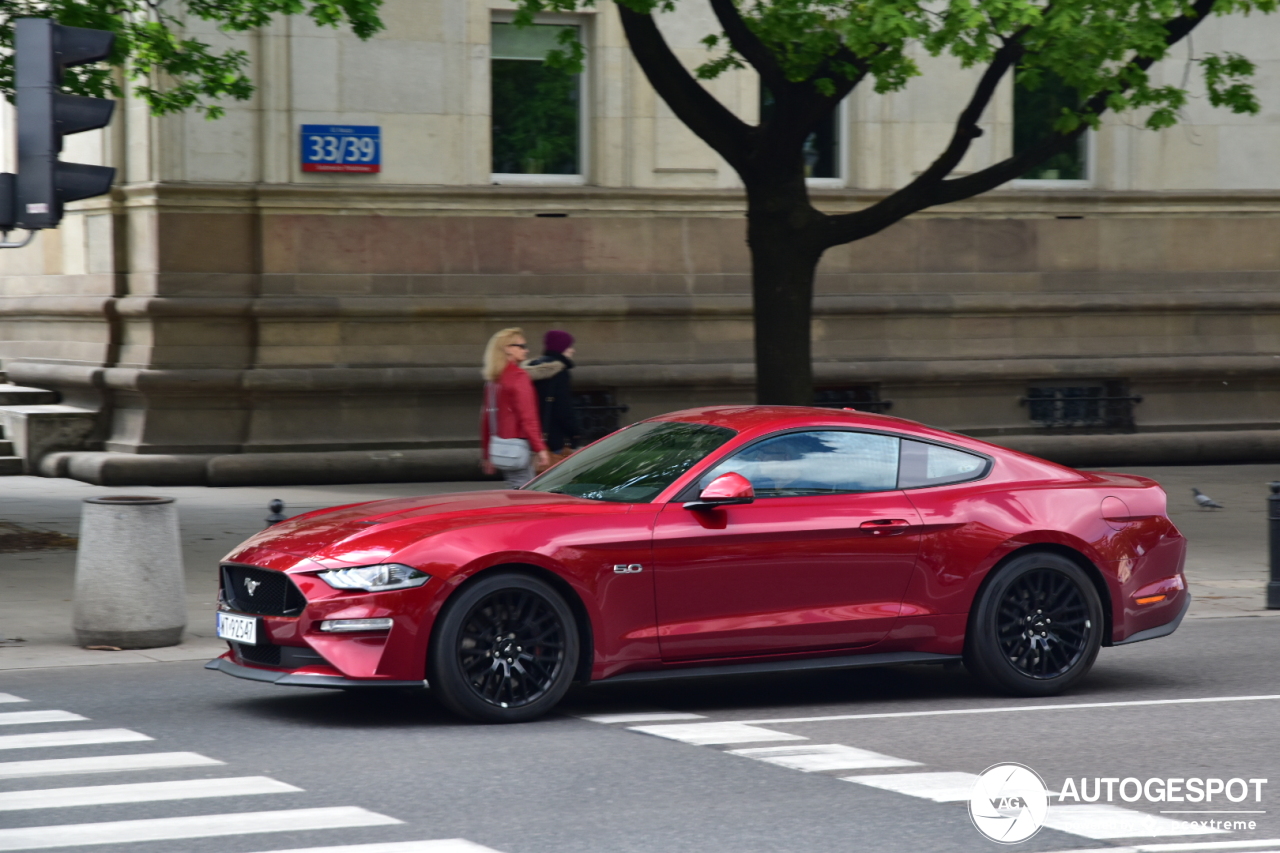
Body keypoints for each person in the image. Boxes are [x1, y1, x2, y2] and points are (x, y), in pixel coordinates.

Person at [479, 328, 550, 488]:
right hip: (517, 448)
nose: (527, 350)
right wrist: (540, 448)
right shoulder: (519, 377)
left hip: (501, 448)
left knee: (516, 488)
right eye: (521, 346)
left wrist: (486, 454)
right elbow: (528, 418)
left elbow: (487, 420)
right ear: (507, 348)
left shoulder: (493, 380)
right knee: (525, 492)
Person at [526, 330, 580, 464]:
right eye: (569, 346)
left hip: (532, 437)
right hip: (555, 439)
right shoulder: (559, 372)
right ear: (561, 348)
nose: (572, 350)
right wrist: (575, 432)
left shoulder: (531, 370)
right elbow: (563, 409)